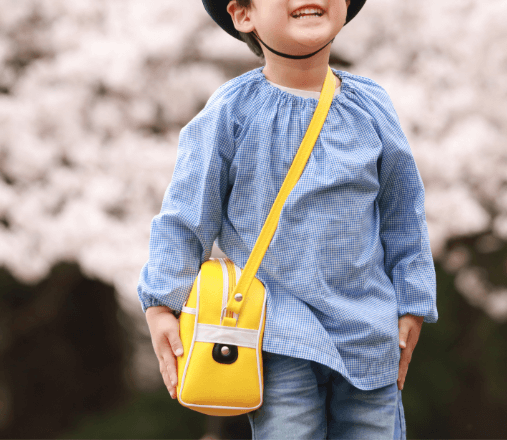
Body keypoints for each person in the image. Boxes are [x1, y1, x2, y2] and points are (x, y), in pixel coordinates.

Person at [138, 0, 438, 438]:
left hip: (368, 333)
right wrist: (161, 302)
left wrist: (412, 300)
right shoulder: (232, 111)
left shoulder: (371, 106)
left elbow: (403, 211)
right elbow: (186, 212)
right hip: (275, 331)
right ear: (244, 15)